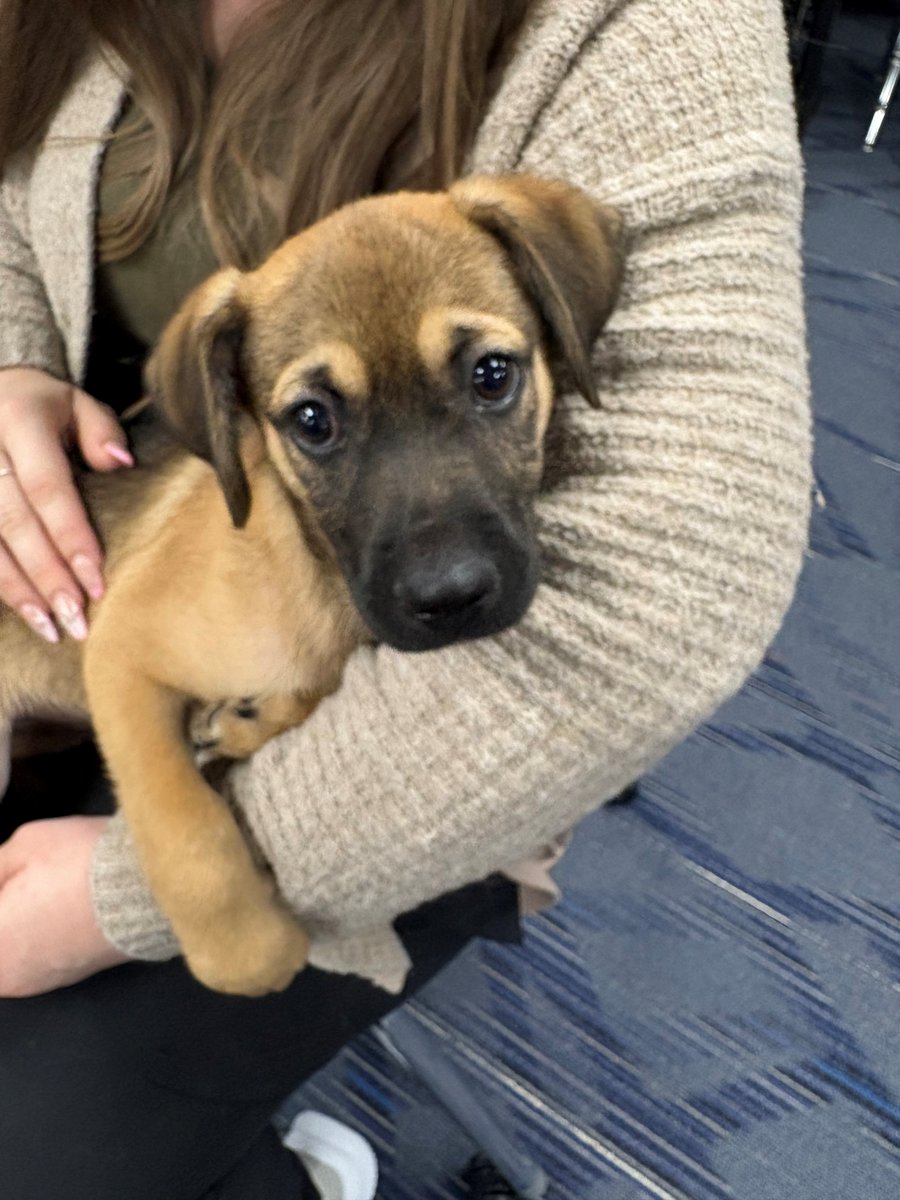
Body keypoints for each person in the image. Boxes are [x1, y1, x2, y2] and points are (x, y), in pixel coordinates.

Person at [0, 1, 812, 1198]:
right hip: (128, 623)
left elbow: (664, 594)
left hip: (446, 748)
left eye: (488, 377)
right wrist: (15, 355)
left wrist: (133, 890)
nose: (440, 561)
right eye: (316, 423)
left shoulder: (644, 27)